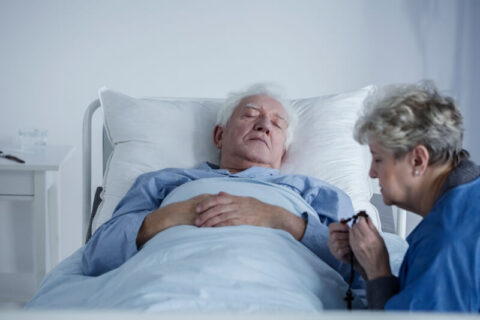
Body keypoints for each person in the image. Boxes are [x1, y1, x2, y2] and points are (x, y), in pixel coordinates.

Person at [82, 83, 356, 288]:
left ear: (283, 152)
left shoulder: (316, 193)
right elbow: (97, 256)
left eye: (277, 123)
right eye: (250, 115)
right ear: (219, 135)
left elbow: (357, 268)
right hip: (168, 285)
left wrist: (280, 219)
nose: (263, 125)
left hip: (281, 289)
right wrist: (174, 216)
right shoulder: (164, 182)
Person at [328, 81, 480, 312]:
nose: (371, 172)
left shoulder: (446, 242)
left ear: (418, 160)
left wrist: (378, 270)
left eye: (378, 158)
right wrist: (368, 266)